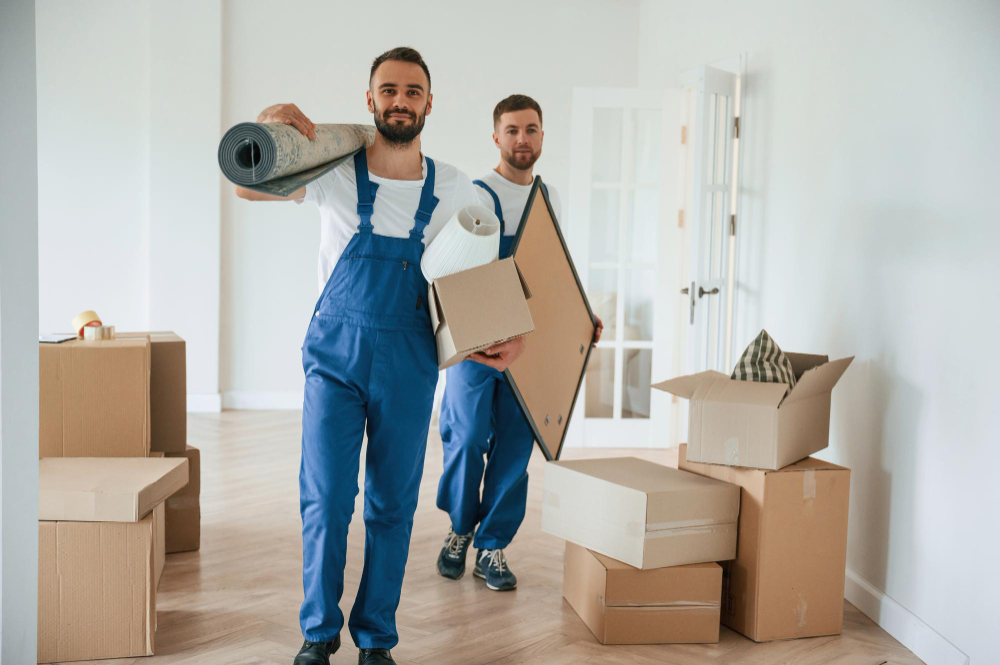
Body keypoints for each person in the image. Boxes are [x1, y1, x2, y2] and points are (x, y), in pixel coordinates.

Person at [235, 47, 524, 665]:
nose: (400, 101)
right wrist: (267, 126)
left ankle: (376, 640)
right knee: (326, 497)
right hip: (334, 361)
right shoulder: (333, 169)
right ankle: (318, 633)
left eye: (413, 91)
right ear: (370, 100)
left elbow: (484, 278)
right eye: (388, 90)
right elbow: (245, 184)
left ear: (428, 103)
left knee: (392, 504)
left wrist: (508, 334)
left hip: (410, 365)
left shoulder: (454, 187)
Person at [434, 94, 603, 592]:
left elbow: (550, 274)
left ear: (543, 136)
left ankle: (493, 546)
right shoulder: (475, 193)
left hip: (530, 346)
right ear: (496, 137)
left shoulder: (544, 199)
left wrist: (580, 315)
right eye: (512, 130)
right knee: (464, 438)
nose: (522, 139)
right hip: (479, 344)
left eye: (531, 129)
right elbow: (454, 271)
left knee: (515, 447)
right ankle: (460, 529)